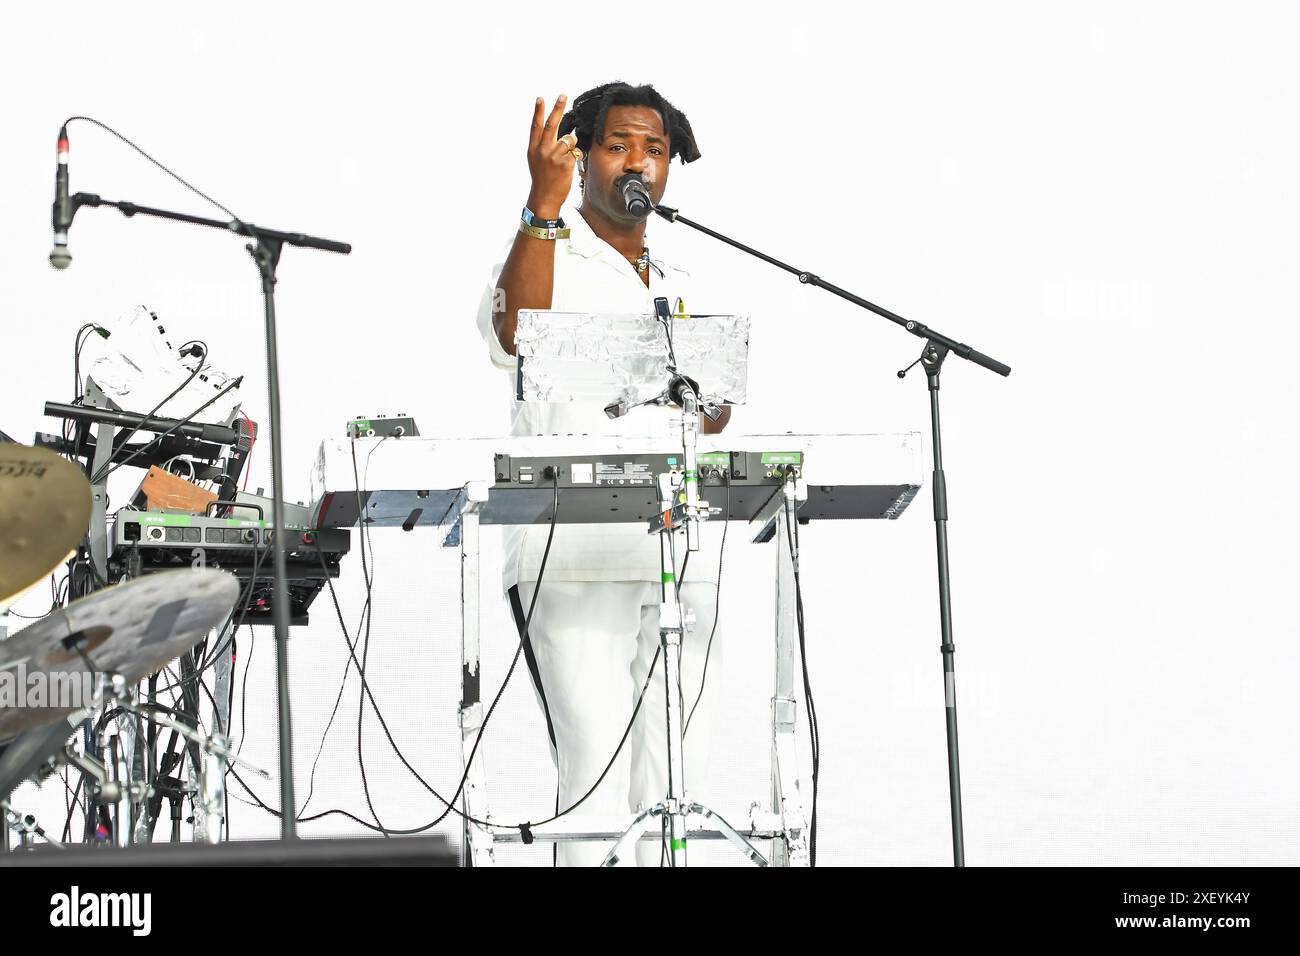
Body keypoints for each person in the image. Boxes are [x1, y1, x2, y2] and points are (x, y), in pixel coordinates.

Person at [475, 82, 730, 866]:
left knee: (672, 776)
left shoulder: (678, 277)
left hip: (675, 550)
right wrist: (539, 206)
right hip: (571, 551)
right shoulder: (545, 247)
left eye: (654, 149)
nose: (640, 164)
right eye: (620, 144)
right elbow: (515, 334)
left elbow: (712, 412)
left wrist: (699, 387)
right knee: (595, 775)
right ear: (583, 158)